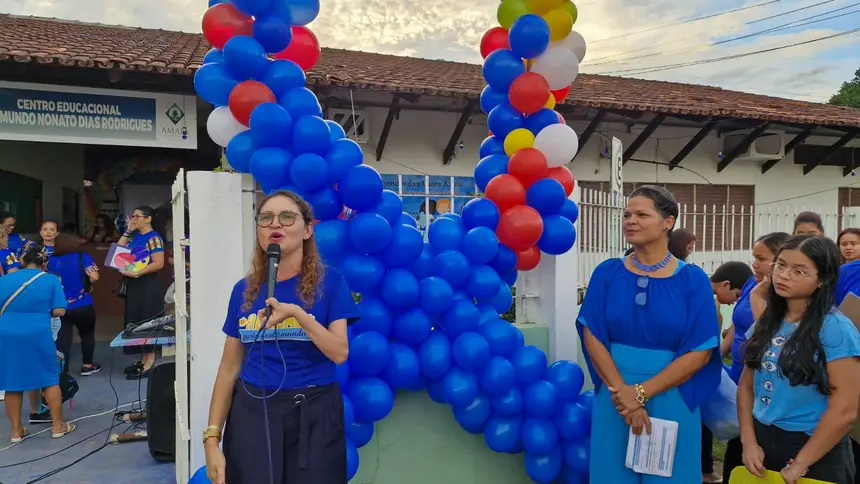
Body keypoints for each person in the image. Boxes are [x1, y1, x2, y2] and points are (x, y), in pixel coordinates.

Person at [203, 191, 358, 484]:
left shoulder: (330, 282)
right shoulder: (243, 290)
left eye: (287, 217)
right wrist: (212, 438)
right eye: (266, 218)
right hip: (253, 413)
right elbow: (229, 367)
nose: (276, 224)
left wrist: (298, 315)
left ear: (307, 229)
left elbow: (339, 352)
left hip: (314, 415)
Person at [576, 185, 721, 483]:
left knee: (669, 474)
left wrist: (640, 393)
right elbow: (592, 333)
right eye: (627, 214)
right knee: (612, 474)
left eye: (642, 215)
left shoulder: (693, 280)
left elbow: (701, 350)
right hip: (615, 393)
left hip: (673, 391)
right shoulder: (607, 272)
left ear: (668, 222)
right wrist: (624, 394)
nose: (631, 221)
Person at [739, 235, 860, 483]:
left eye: (799, 271)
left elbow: (844, 410)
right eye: (781, 265)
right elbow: (746, 387)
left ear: (823, 279)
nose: (783, 275)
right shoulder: (768, 320)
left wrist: (800, 464)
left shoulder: (835, 329)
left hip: (816, 451)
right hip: (763, 444)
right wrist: (749, 442)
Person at [720, 231, 791, 477]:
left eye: (761, 258)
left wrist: (758, 298)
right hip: (740, 373)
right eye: (754, 257)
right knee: (736, 439)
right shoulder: (754, 282)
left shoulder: (782, 296)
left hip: (763, 379)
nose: (754, 264)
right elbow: (738, 324)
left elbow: (773, 339)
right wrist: (722, 351)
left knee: (751, 445)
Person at [0, 245, 76, 443]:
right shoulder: (51, 279)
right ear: (45, 263)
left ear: (22, 261)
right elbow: (60, 311)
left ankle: (16, 431)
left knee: (12, 382)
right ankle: (57, 426)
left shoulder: (4, 280)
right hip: (38, 333)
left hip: (7, 334)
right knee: (49, 378)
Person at [117, 206, 165, 380]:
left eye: (137, 216)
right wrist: (127, 231)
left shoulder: (154, 238)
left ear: (148, 219)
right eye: (132, 216)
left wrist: (137, 272)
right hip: (134, 284)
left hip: (148, 284)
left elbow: (158, 263)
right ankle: (143, 358)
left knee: (148, 319)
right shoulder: (134, 236)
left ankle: (149, 361)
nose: (133, 219)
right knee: (136, 320)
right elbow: (118, 251)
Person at [49, 234, 101, 376]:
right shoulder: (82, 257)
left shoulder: (50, 260)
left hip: (60, 306)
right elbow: (94, 276)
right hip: (82, 303)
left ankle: (62, 372)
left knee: (63, 339)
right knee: (87, 334)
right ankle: (87, 366)